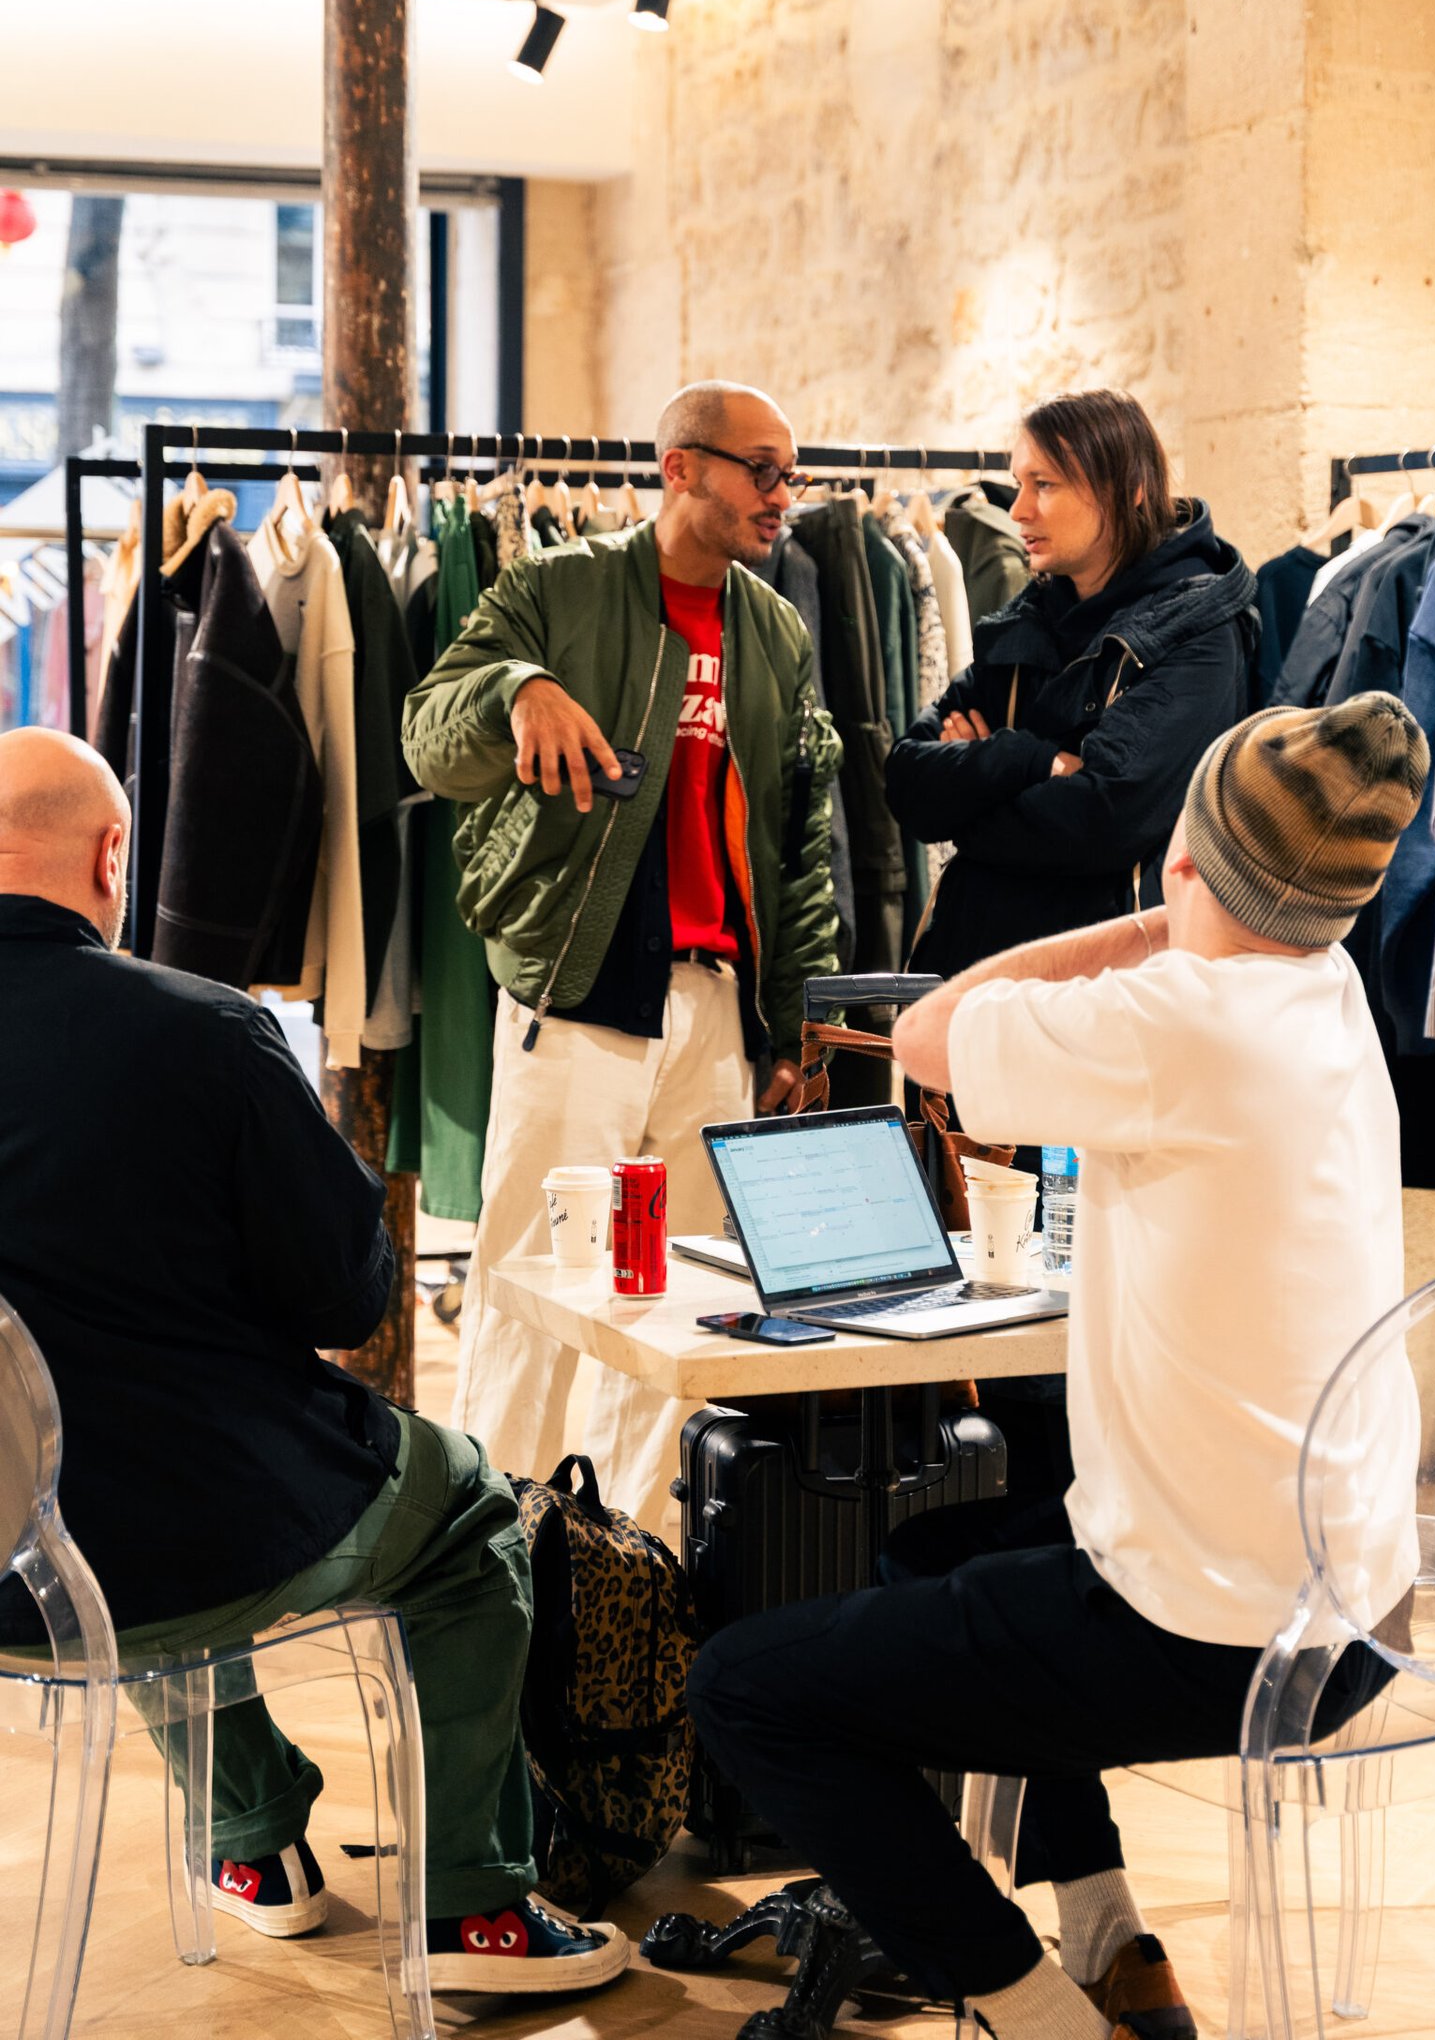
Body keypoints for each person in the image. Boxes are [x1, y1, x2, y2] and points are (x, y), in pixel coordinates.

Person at [689, 693, 1428, 2040]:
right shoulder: (1327, 989)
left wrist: (1150, 920)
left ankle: (1038, 2018)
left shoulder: (1182, 1015)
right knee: (933, 1553)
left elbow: (928, 1033)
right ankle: (1108, 1937)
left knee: (747, 1690)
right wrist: (1195, 907)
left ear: (1190, 854)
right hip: (1359, 1605)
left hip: (1210, 1633)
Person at [0, 728, 627, 2000]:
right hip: (178, 1537)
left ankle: (253, 1842)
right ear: (114, 857)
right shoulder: (203, 1033)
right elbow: (345, 1297)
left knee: (104, 1475)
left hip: (20, 1556)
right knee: (466, 1510)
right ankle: (473, 1910)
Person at [401, 381, 842, 1530]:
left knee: (685, 1308)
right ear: (680, 467)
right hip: (580, 991)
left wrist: (790, 1027)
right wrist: (517, 689)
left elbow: (798, 845)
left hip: (718, 1009)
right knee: (535, 1297)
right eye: (761, 469)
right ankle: (496, 1557)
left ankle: (639, 1564)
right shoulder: (561, 587)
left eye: (790, 474)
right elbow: (427, 736)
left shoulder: (774, 630)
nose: (781, 495)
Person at [886, 390, 1256, 1505]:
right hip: (977, 1004)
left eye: (1045, 484)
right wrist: (1021, 760)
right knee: (963, 1300)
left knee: (1060, 1316)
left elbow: (1109, 813)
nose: (1019, 509)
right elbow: (906, 780)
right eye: (1018, 483)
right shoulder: (1028, 619)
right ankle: (975, 1537)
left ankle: (1068, 1541)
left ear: (1125, 488)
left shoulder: (1195, 628)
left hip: (1097, 1009)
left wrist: (987, 774)